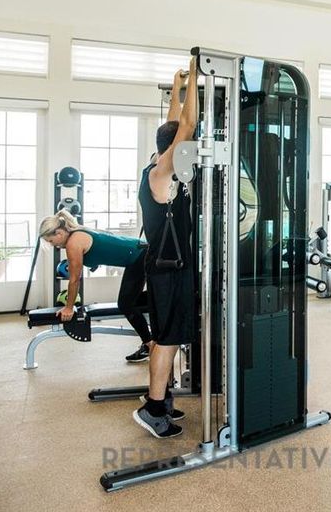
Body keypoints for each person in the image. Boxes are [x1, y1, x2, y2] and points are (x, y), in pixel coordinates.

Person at [133, 60, 197, 438]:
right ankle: (154, 409)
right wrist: (196, 70)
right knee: (169, 339)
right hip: (169, 270)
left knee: (162, 337)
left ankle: (160, 398)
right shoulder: (163, 172)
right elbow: (185, 126)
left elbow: (174, 123)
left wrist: (178, 87)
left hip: (164, 267)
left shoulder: (155, 165)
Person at [38, 210, 152, 363]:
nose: (53, 245)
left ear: (59, 232)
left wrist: (69, 308)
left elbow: (74, 280)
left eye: (51, 241)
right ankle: (164, 303)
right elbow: (103, 243)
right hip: (140, 253)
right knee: (132, 301)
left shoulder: (73, 243)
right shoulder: (79, 232)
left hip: (139, 256)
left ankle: (150, 344)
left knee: (126, 304)